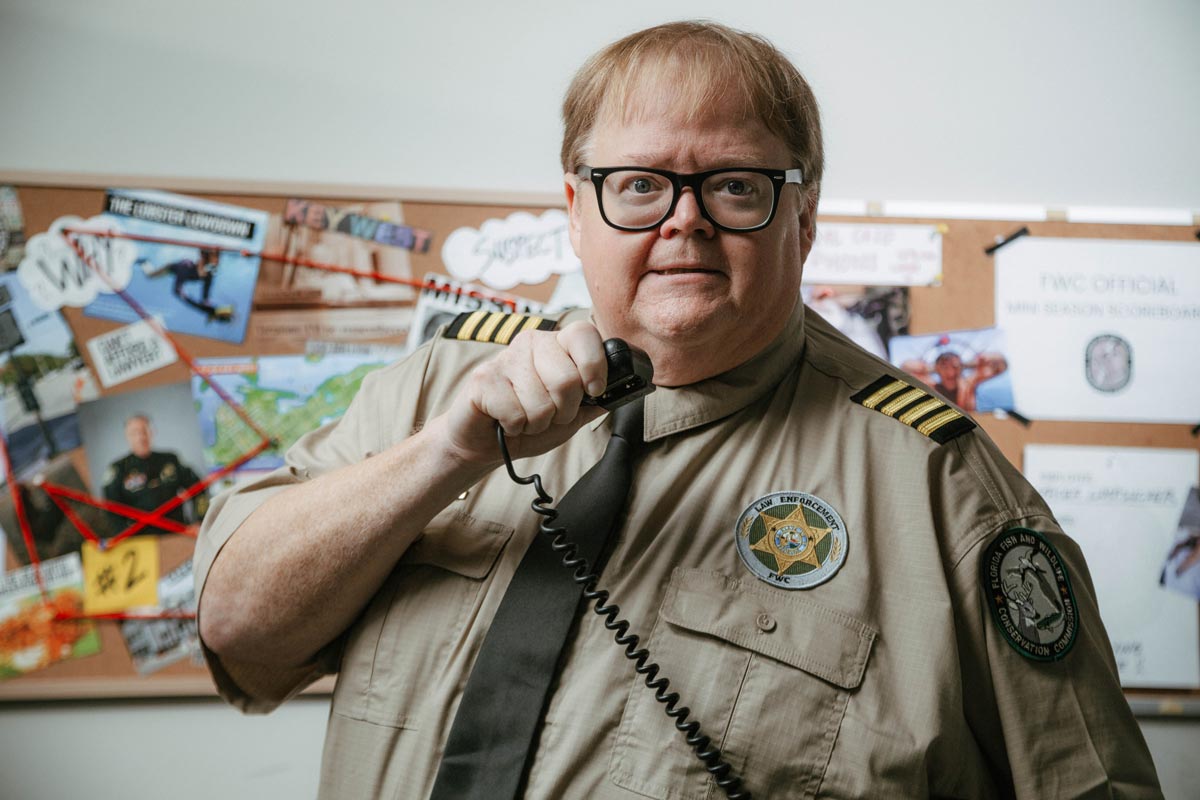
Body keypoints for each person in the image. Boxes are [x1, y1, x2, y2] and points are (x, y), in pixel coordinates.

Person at [194, 21, 1161, 799]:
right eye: (640, 185)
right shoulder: (428, 394)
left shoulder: (946, 489)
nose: (683, 219)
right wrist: (444, 457)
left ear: (805, 217)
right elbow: (240, 635)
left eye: (734, 185)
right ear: (575, 208)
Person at [103, 414, 209, 535]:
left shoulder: (170, 460)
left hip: (176, 534)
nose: (140, 437)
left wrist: (201, 521)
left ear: (152, 432)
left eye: (144, 431)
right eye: (134, 433)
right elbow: (110, 509)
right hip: (141, 541)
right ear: (127, 437)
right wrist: (123, 535)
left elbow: (198, 488)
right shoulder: (118, 469)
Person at [141, 247, 234, 321]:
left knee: (205, 297)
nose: (215, 264)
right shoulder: (186, 267)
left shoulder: (209, 274)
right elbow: (178, 291)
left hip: (190, 270)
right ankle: (144, 262)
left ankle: (216, 312)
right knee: (150, 275)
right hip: (171, 269)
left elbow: (205, 298)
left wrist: (214, 310)